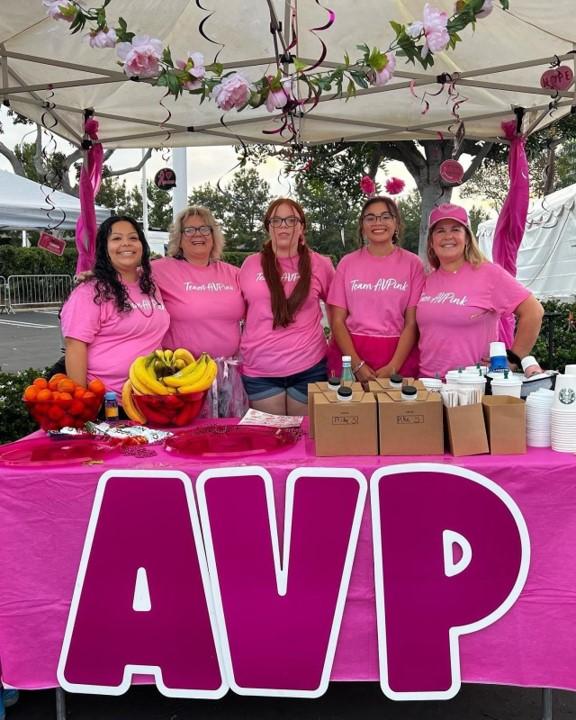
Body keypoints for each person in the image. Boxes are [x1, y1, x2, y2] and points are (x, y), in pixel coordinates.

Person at [417, 203, 544, 378]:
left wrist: (512, 359)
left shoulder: (489, 274)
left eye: (455, 229)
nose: (448, 236)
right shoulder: (427, 280)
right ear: (431, 241)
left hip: (473, 386)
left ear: (467, 238)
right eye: (440, 231)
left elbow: (534, 312)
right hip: (428, 384)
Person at [239, 198, 335, 416]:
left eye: (291, 220)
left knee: (302, 442)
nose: (283, 226)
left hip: (309, 368)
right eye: (277, 220)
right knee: (270, 442)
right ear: (268, 227)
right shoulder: (250, 265)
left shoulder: (321, 264)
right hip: (260, 370)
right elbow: (242, 311)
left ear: (301, 226)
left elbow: (336, 311)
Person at [151, 206, 247, 417]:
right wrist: (93, 275)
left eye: (205, 229)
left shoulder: (234, 274)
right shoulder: (158, 270)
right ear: (179, 237)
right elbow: (123, 277)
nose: (198, 235)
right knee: (189, 439)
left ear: (213, 236)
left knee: (228, 440)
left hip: (228, 376)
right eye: (190, 230)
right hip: (183, 375)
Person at [60, 216, 170, 397]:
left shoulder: (150, 283)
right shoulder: (90, 292)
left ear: (142, 245)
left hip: (152, 396)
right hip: (108, 402)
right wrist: (82, 401)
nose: (126, 244)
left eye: (133, 238)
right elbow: (75, 346)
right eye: (117, 238)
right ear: (104, 248)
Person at [327, 195, 425, 382]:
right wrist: (356, 365)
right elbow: (337, 321)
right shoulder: (347, 263)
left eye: (385, 217)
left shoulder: (413, 264)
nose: (377, 222)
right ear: (362, 225)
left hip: (398, 355)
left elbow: (411, 323)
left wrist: (393, 366)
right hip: (351, 354)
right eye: (370, 218)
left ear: (396, 223)